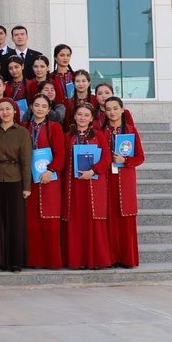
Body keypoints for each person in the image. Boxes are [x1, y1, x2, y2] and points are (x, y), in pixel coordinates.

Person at [0, 98, 33, 272]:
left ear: (14, 111)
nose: (5, 112)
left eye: (8, 109)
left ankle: (14, 261)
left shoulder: (22, 133)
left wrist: (26, 186)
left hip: (15, 179)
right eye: (1, 109)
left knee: (15, 221)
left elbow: (26, 161)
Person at [63, 103, 113, 269]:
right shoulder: (67, 136)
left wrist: (93, 171)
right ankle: (76, 260)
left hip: (93, 183)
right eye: (79, 114)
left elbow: (106, 159)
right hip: (74, 185)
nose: (82, 118)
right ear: (74, 117)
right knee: (76, 220)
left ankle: (95, 260)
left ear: (91, 118)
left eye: (86, 115)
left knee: (93, 220)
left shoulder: (98, 135)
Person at [24, 93, 66, 269]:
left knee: (50, 219)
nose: (39, 109)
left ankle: (52, 261)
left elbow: (61, 153)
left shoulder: (54, 127)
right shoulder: (25, 127)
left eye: (43, 106)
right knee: (32, 221)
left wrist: (51, 170)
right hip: (30, 178)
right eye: (36, 105)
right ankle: (34, 260)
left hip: (50, 178)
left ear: (49, 110)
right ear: (31, 107)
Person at [103, 96, 145, 268]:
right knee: (110, 217)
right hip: (107, 179)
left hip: (125, 177)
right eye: (108, 109)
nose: (112, 112)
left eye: (115, 108)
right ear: (104, 112)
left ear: (122, 109)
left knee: (126, 216)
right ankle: (111, 257)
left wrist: (125, 159)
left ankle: (128, 258)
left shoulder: (130, 130)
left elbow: (140, 157)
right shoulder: (101, 130)